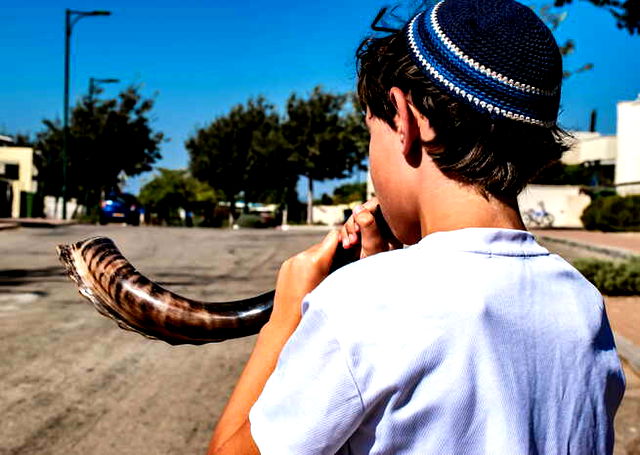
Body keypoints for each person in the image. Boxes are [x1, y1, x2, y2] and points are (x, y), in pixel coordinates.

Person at [208, 0, 626, 453]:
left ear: (404, 119)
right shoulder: (582, 303)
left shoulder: (358, 303)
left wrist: (287, 314)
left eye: (372, 131)